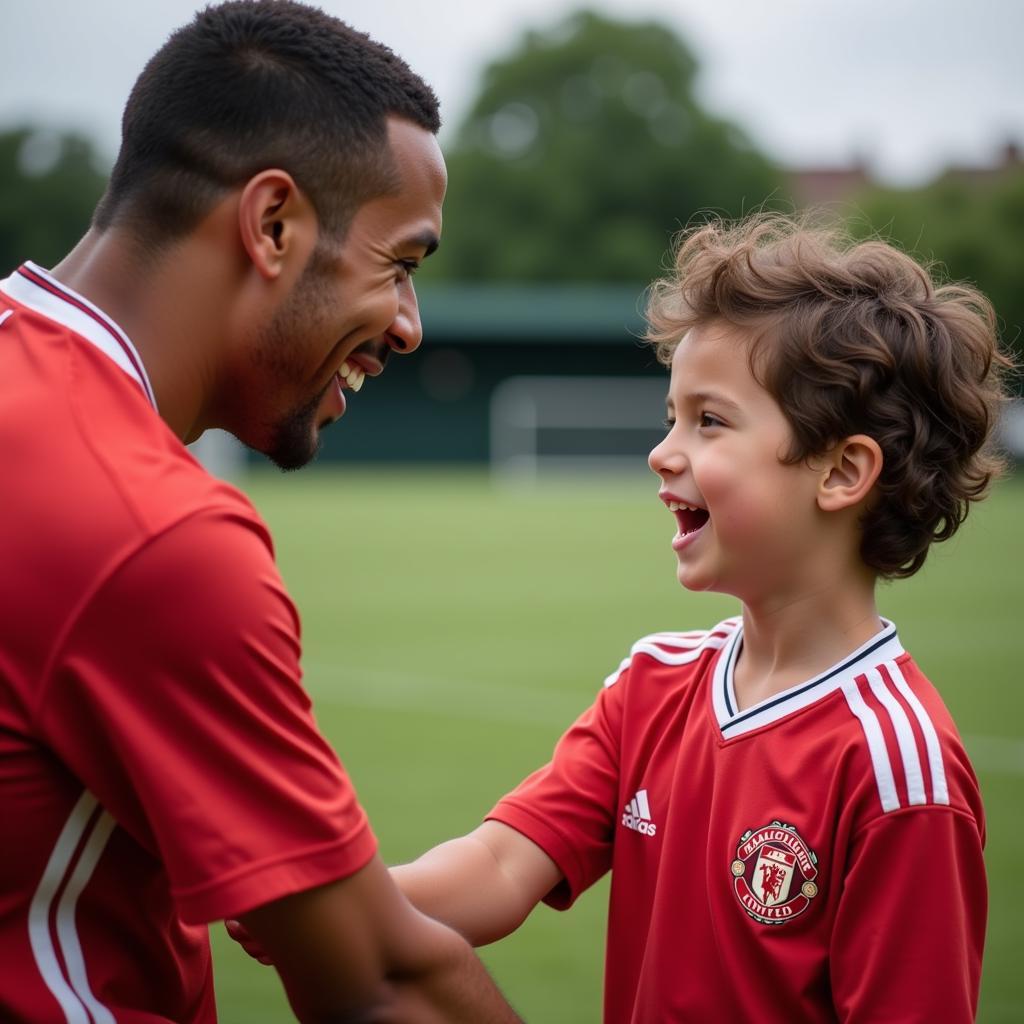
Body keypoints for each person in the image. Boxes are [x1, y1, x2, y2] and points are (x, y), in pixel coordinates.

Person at [0, 2, 520, 1022]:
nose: (409, 327)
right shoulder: (150, 531)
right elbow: (380, 986)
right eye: (400, 265)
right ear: (272, 223)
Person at [383, 214, 1011, 1021]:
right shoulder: (652, 682)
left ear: (843, 470)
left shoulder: (897, 770)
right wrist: (340, 899)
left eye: (708, 421)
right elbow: (501, 866)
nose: (662, 450)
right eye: (671, 415)